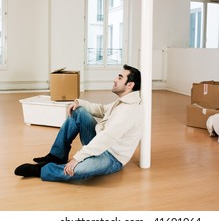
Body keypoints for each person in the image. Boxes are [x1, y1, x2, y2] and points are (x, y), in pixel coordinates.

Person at [15, 64, 143, 182]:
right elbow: (102, 109)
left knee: (77, 170)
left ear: (130, 85)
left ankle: (42, 170)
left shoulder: (129, 110)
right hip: (101, 143)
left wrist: (77, 158)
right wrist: (79, 103)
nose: (115, 79)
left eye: (120, 78)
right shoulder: (123, 101)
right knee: (79, 111)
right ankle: (56, 155)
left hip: (112, 158)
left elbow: (106, 137)